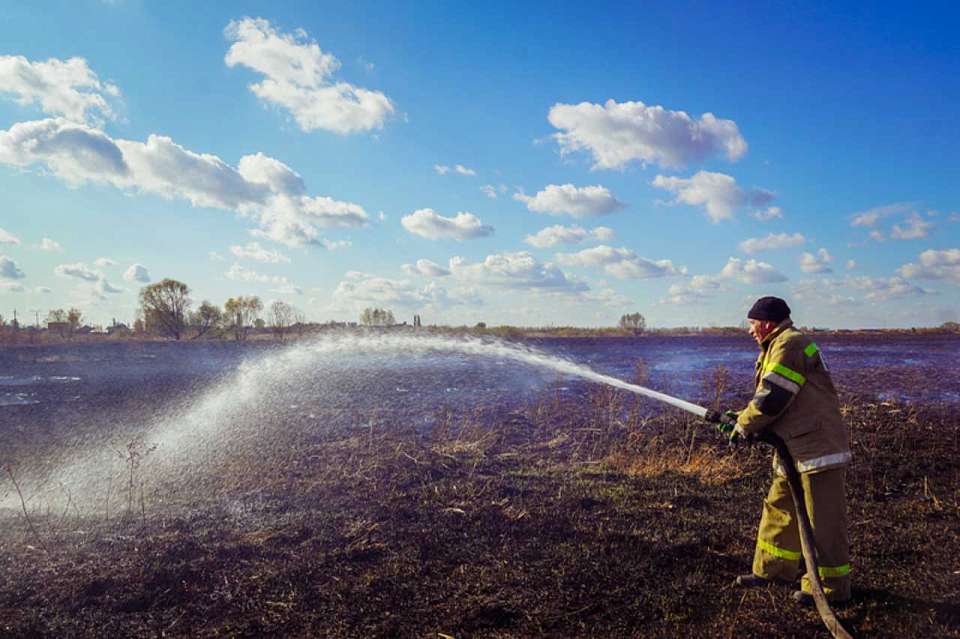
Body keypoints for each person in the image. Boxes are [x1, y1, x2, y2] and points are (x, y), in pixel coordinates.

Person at [724, 296, 852, 605]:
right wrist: (742, 419)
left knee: (821, 520)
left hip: (816, 448)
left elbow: (774, 397)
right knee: (779, 507)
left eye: (752, 324)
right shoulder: (780, 343)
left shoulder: (789, 344)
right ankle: (773, 569)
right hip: (795, 446)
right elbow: (773, 398)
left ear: (766, 323)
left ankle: (830, 589)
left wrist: (743, 425)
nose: (750, 331)